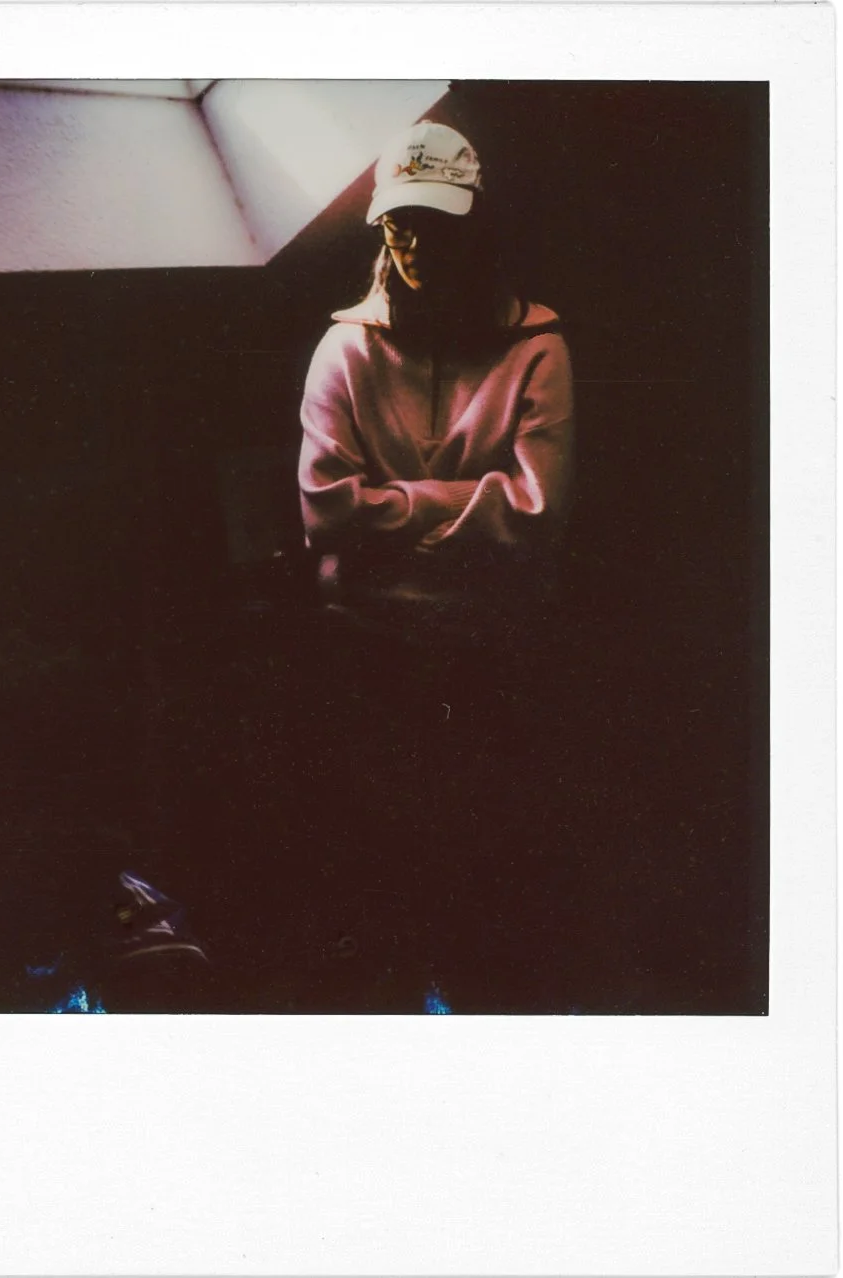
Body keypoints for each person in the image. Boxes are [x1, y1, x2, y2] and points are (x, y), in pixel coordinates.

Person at [293, 120, 577, 1010]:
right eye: (398, 224)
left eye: (435, 223)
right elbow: (322, 510)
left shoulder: (536, 347)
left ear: (475, 225)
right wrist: (462, 501)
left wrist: (393, 506)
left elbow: (537, 512)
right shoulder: (345, 349)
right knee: (380, 862)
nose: (413, 246)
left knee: (486, 861)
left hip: (491, 643)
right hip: (366, 641)